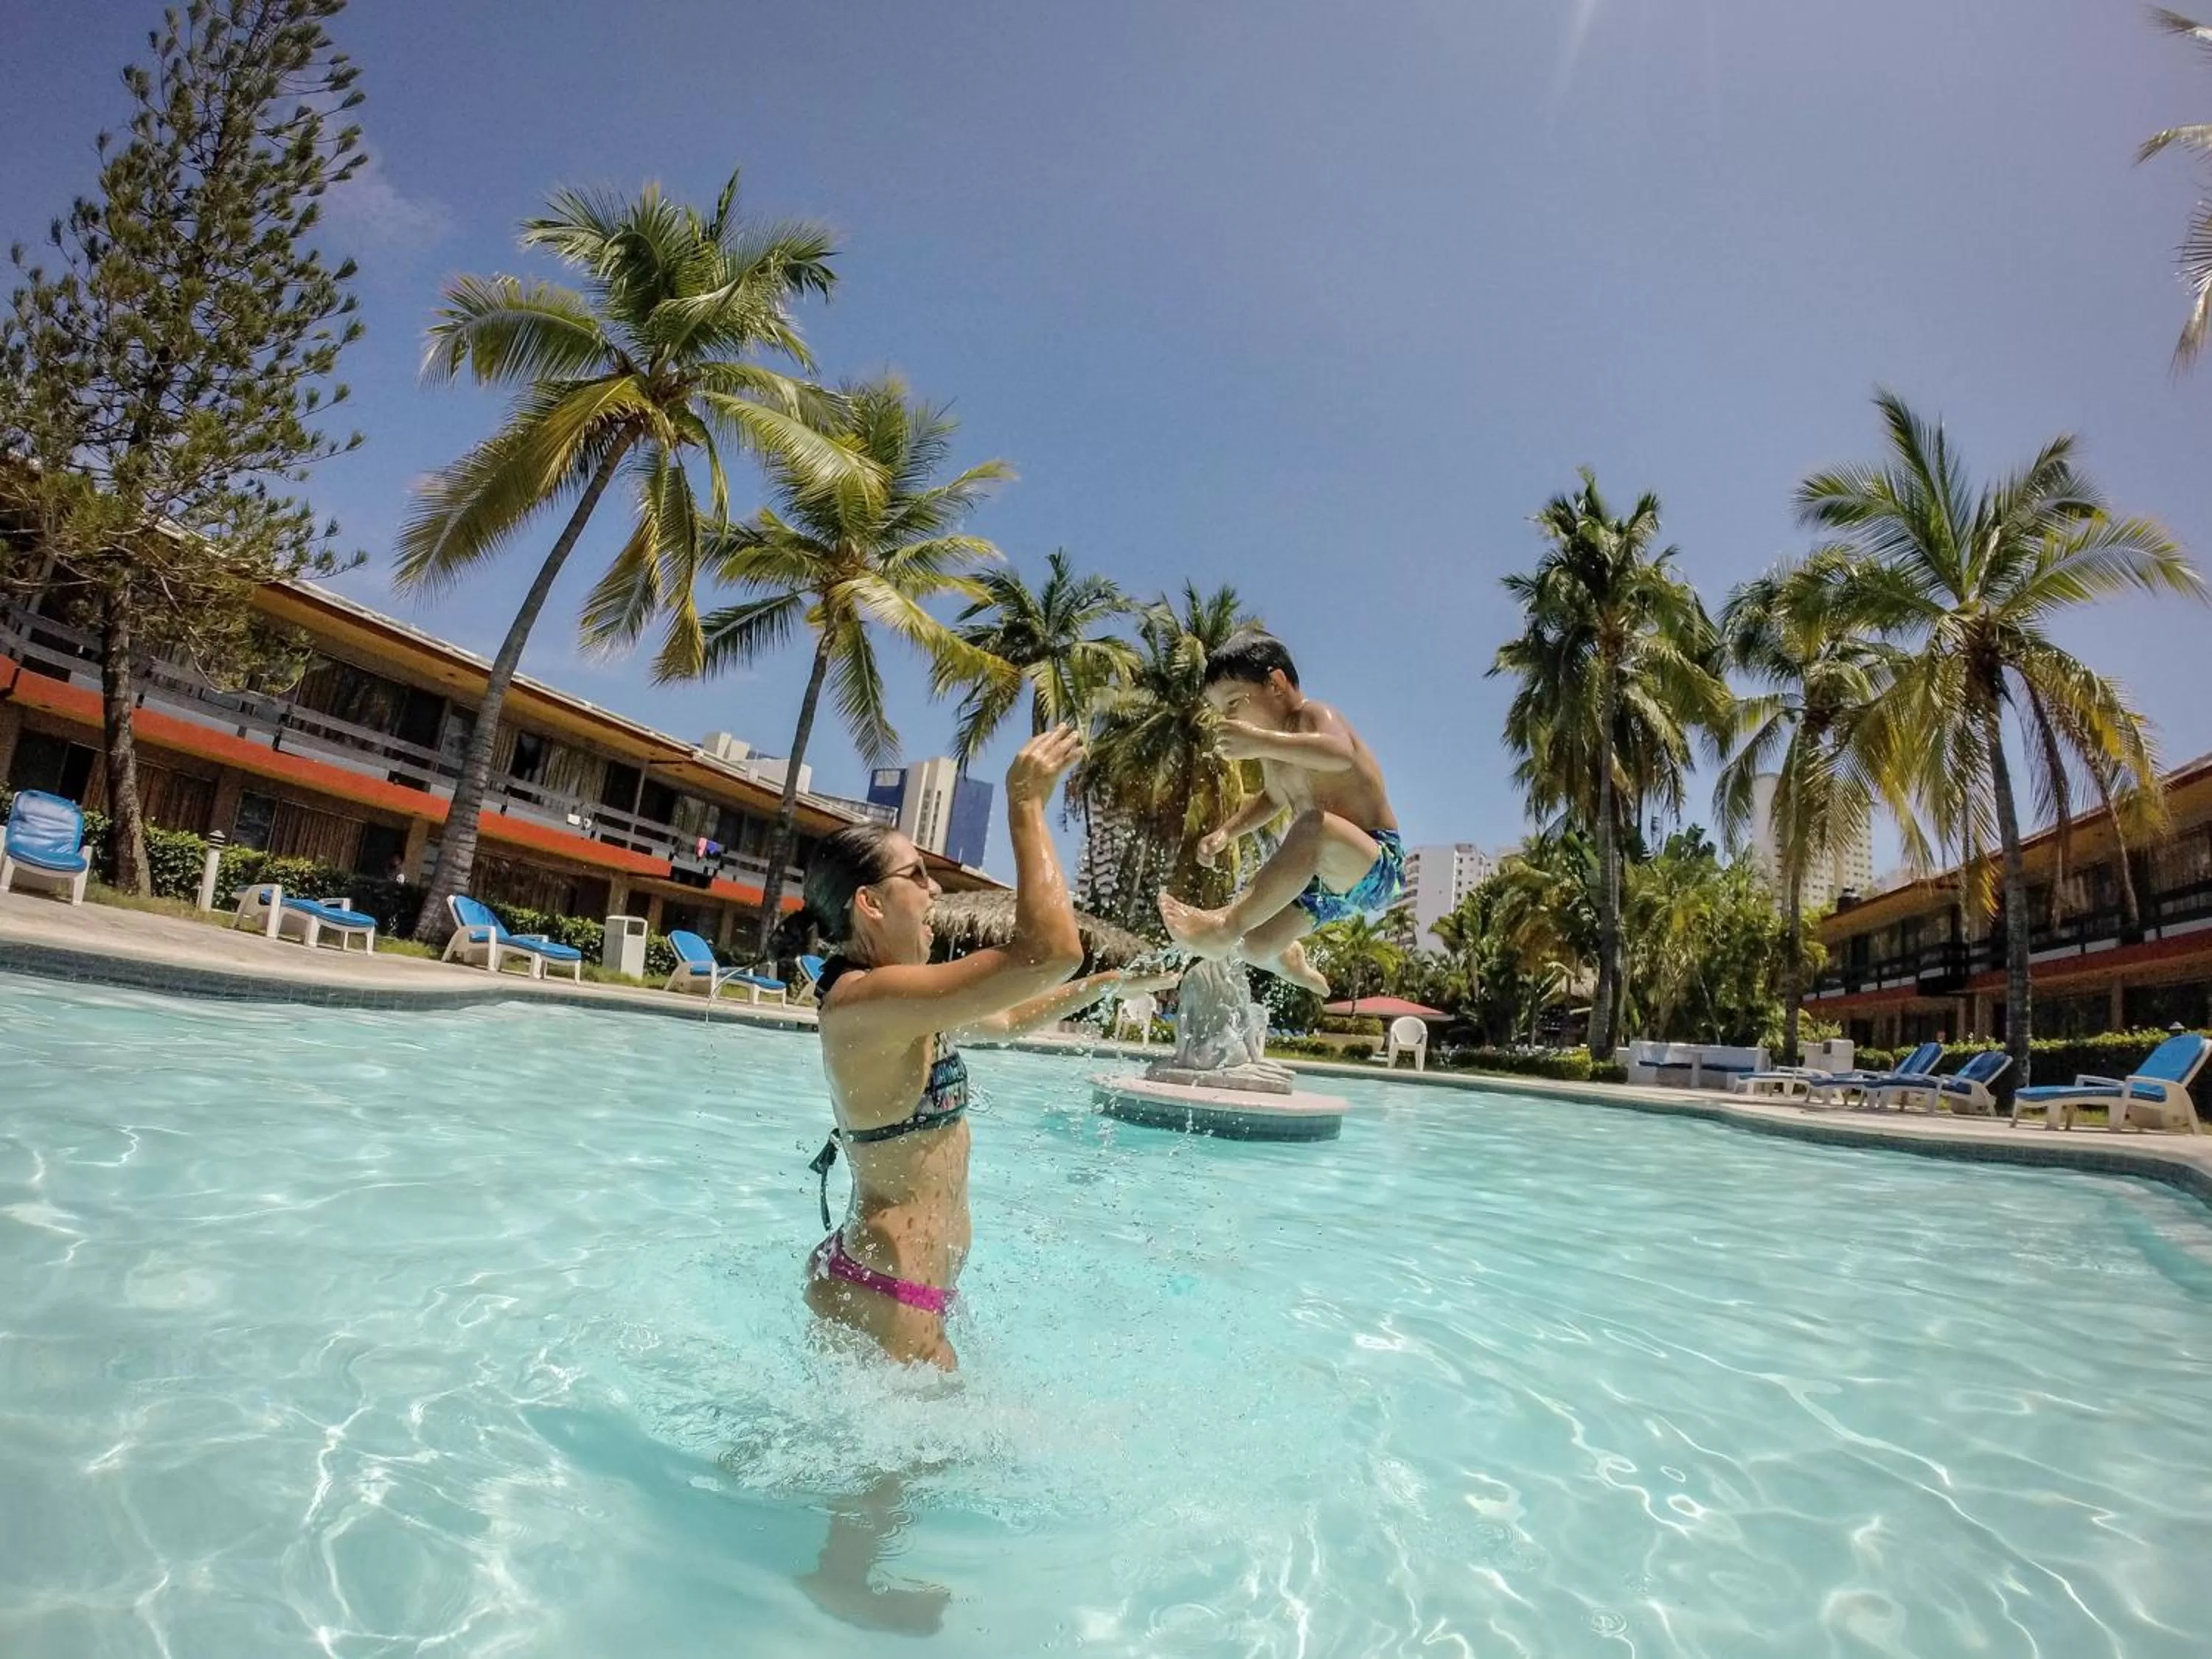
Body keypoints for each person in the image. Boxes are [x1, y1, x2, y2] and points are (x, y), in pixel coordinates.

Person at [801, 725, 1179, 1370]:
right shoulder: (865, 1003)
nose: (935, 891)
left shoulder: (906, 1004)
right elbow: (1051, 951)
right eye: (916, 875)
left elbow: (1008, 1020)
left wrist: (1112, 983)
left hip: (899, 1286)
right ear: (868, 902)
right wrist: (1026, 804)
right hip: (887, 1292)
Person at [1158, 631, 1402, 996]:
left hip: (1375, 864)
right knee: (1256, 946)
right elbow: (1273, 798)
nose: (1229, 718)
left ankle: (1225, 924)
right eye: (1222, 711)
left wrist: (1260, 742)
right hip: (1324, 883)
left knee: (1313, 826)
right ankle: (1291, 961)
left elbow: (1339, 754)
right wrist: (1227, 832)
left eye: (1235, 702)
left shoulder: (1314, 716)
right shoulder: (1275, 755)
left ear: (1276, 683)